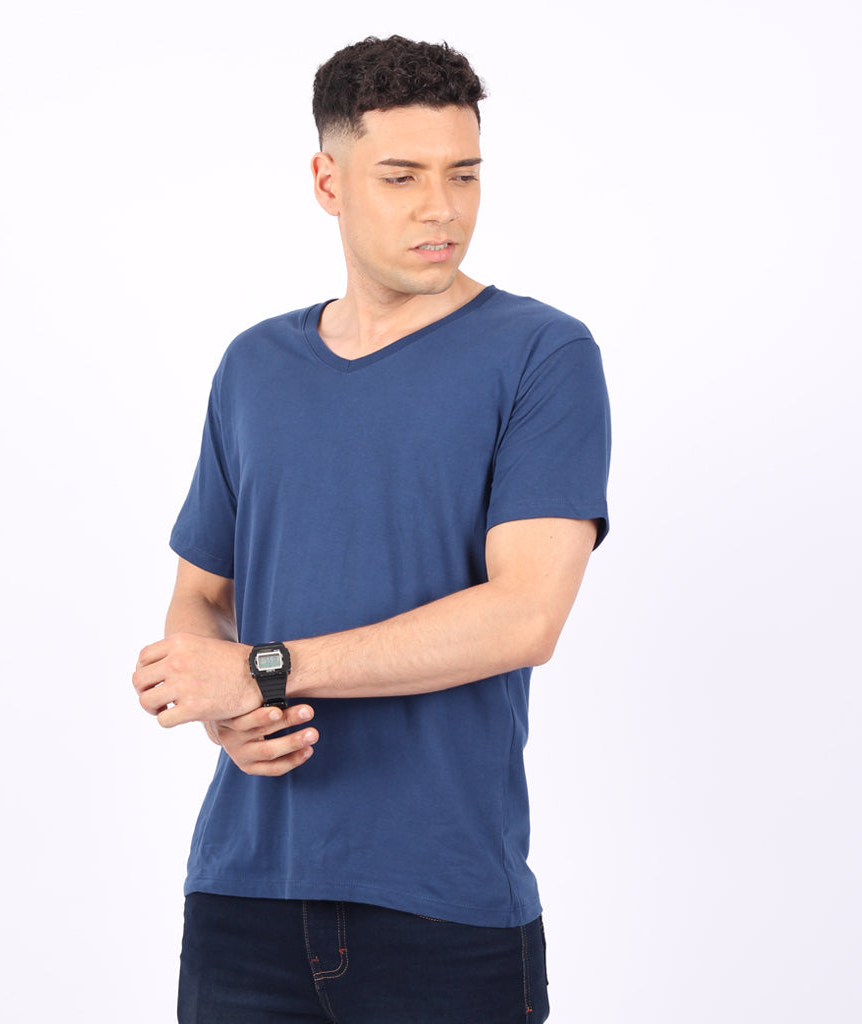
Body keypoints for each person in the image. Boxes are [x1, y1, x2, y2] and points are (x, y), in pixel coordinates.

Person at [132, 35, 610, 1024]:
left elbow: (525, 615)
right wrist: (219, 705)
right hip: (243, 894)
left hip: (443, 906)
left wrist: (263, 670)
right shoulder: (254, 366)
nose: (442, 208)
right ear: (328, 181)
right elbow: (201, 597)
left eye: (463, 174)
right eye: (402, 176)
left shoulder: (542, 353)